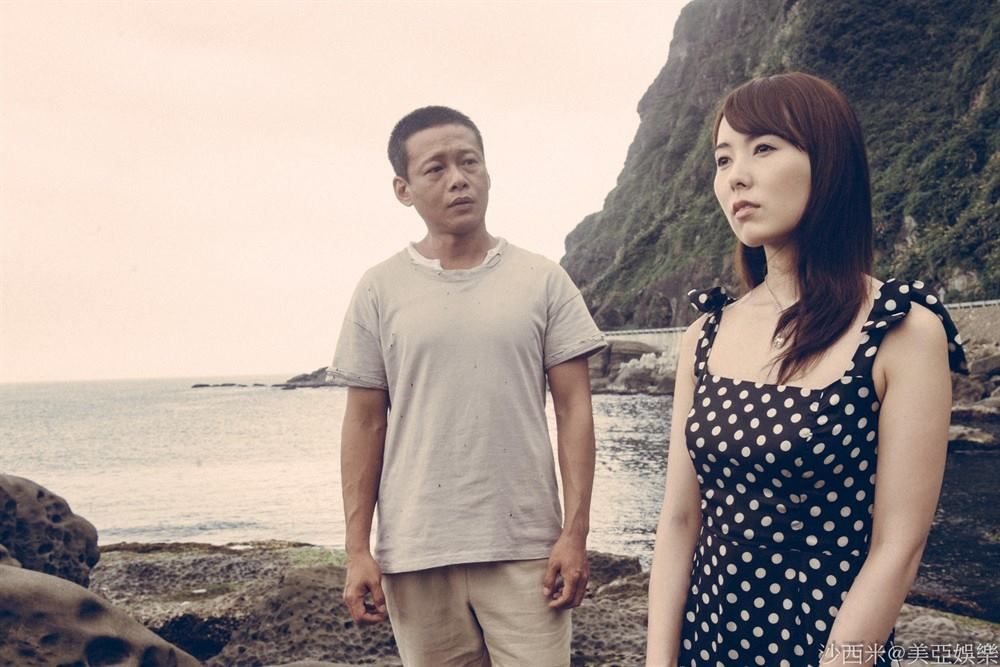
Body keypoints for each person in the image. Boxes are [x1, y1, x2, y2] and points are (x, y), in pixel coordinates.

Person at [645, 72, 968, 667]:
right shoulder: (705, 334)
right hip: (704, 646)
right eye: (723, 158)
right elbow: (680, 519)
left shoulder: (899, 330)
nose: (735, 175)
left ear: (829, 161)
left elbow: (898, 545)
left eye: (763, 148)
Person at [330, 106, 606, 666]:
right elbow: (364, 422)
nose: (458, 179)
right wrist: (358, 550)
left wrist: (574, 535)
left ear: (487, 171)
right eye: (436, 169)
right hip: (416, 554)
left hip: (527, 550)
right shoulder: (379, 289)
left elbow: (574, 409)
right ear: (403, 189)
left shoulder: (542, 279)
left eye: (469, 162)